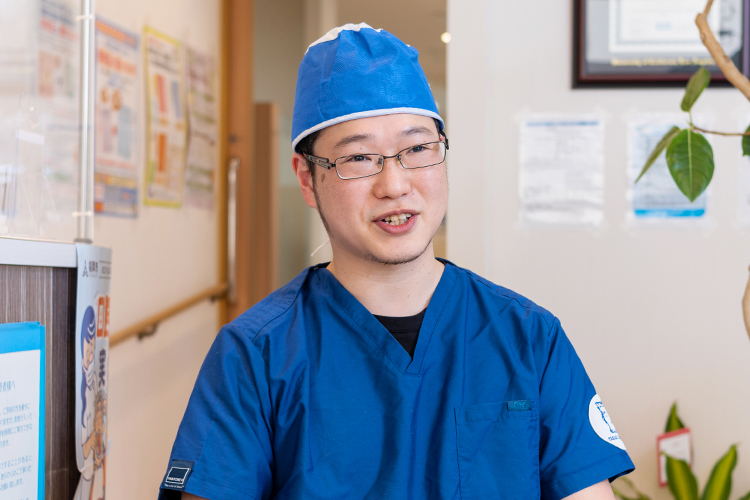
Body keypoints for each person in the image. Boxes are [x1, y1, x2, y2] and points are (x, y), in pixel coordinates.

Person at [158, 23, 634, 500]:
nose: (394, 185)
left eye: (418, 149)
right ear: (306, 178)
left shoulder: (528, 337)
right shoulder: (255, 354)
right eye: (359, 158)